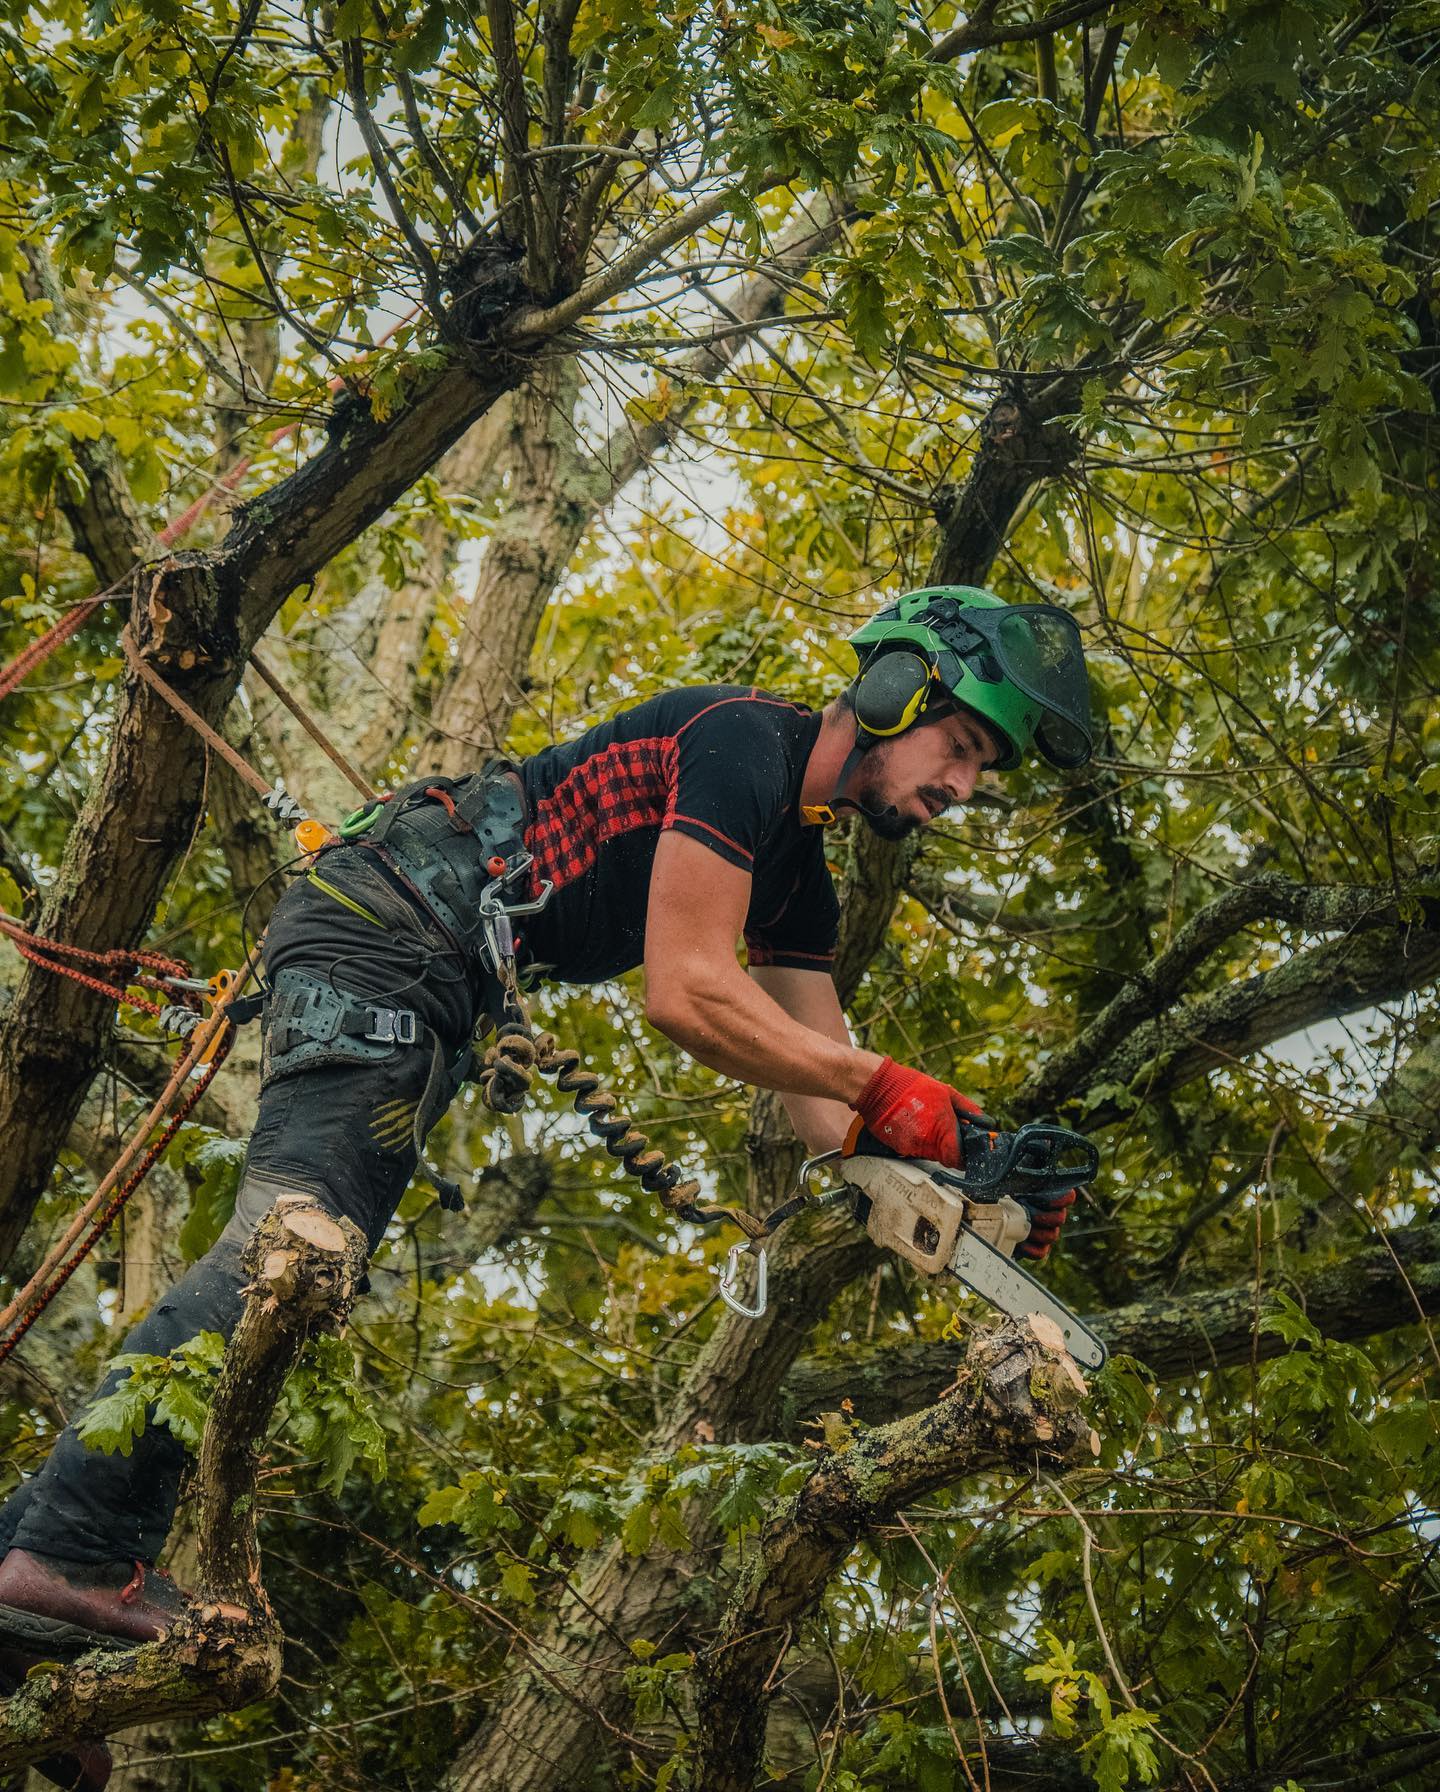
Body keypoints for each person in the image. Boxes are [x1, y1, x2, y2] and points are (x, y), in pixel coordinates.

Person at [0, 586, 1093, 1788]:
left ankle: (14, 1626)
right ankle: (74, 1546)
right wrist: (886, 1081)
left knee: (300, 1264)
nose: (964, 787)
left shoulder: (801, 879)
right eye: (962, 749)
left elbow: (832, 1113)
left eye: (983, 770)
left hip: (424, 978)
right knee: (289, 1254)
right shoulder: (742, 743)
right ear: (900, 694)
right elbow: (685, 989)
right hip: (390, 928)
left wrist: (954, 1175)